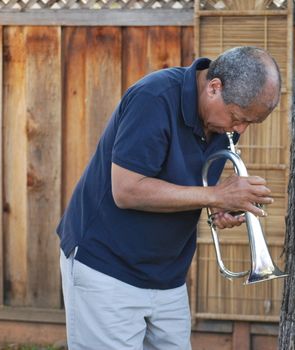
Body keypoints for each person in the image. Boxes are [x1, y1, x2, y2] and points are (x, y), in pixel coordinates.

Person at [57, 46, 282, 349]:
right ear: (214, 87)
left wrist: (217, 206)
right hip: (107, 268)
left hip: (168, 275)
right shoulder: (154, 99)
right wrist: (214, 194)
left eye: (249, 123)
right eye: (238, 118)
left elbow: (188, 189)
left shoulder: (221, 120)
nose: (240, 129)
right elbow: (126, 189)